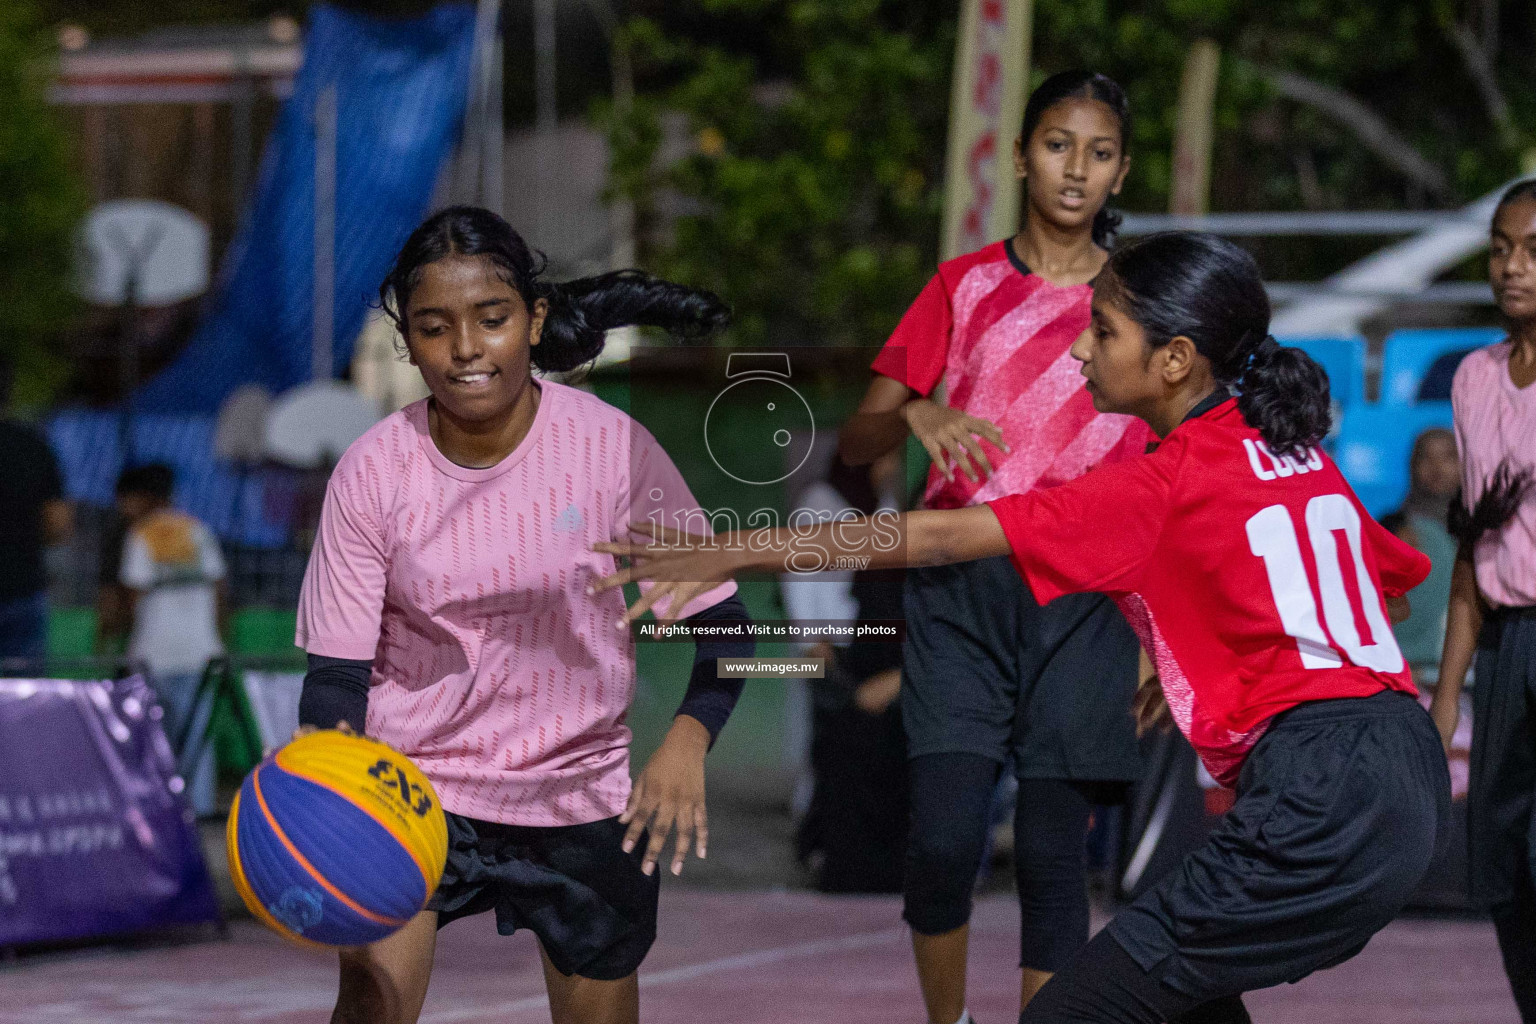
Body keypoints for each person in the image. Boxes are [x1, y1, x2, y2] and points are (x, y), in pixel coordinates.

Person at [596, 231, 1450, 1024]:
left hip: (1319, 790)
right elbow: (1374, 590)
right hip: (1398, 769)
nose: (1080, 346)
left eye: (1103, 331)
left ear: (1175, 360)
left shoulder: (1160, 484)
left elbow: (932, 534)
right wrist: (1180, 650)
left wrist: (734, 552)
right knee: (1177, 1002)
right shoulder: (1290, 449)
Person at [293, 206, 754, 1024]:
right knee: (370, 1008)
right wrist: (327, 782)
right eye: (434, 328)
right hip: (415, 789)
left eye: (492, 319)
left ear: (535, 321)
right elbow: (336, 676)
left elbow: (730, 629)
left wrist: (687, 742)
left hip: (577, 794)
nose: (466, 348)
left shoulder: (612, 451)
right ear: (408, 338)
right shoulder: (374, 471)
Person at [837, 69, 1146, 1023]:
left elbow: (1183, 466)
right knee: (944, 842)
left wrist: (1159, 632)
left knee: (1057, 855)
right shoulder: (963, 286)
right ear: (1020, 155)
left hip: (1087, 602)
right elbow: (857, 444)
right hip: (958, 596)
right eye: (1057, 145)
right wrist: (918, 410)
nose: (1074, 170)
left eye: (1098, 154)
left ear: (1121, 174)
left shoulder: (1146, 302)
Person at [1429, 178, 1536, 1024]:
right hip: (1503, 649)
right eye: (1502, 247)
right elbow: (1474, 541)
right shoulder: (1476, 377)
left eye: (1534, 250)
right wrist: (1444, 696)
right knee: (1499, 868)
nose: (1514, 265)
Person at [789, 450, 909, 893]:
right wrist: (812, 641)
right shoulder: (821, 503)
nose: (892, 465)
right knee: (832, 748)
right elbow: (798, 571)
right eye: (882, 458)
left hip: (875, 649)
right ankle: (821, 844)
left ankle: (835, 846)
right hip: (832, 651)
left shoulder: (885, 507)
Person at [111, 463, 228, 815]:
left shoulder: (140, 535)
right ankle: (201, 812)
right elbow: (220, 589)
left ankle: (156, 812)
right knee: (198, 742)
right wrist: (219, 638)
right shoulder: (199, 531)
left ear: (143, 497)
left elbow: (133, 596)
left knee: (152, 739)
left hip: (153, 654)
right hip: (201, 652)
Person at [0, 359, 72, 664]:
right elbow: (58, 523)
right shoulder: (34, 446)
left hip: (25, 588)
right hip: (24, 587)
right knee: (25, 699)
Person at [1379, 427, 1460, 683]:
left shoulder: (1483, 531)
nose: (1438, 467)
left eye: (1448, 457)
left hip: (1464, 671)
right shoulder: (1391, 530)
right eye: (1427, 458)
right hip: (1405, 669)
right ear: (1413, 466)